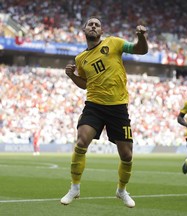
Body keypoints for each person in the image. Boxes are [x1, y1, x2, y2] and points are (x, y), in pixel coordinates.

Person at [60, 16, 148, 208]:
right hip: (94, 105)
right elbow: (85, 85)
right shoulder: (80, 59)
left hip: (118, 107)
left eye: (97, 24)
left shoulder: (114, 43)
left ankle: (121, 190)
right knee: (81, 140)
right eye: (90, 24)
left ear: (101, 31)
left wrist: (141, 37)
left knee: (127, 155)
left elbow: (140, 50)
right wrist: (72, 76)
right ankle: (75, 187)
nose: (93, 26)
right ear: (84, 30)